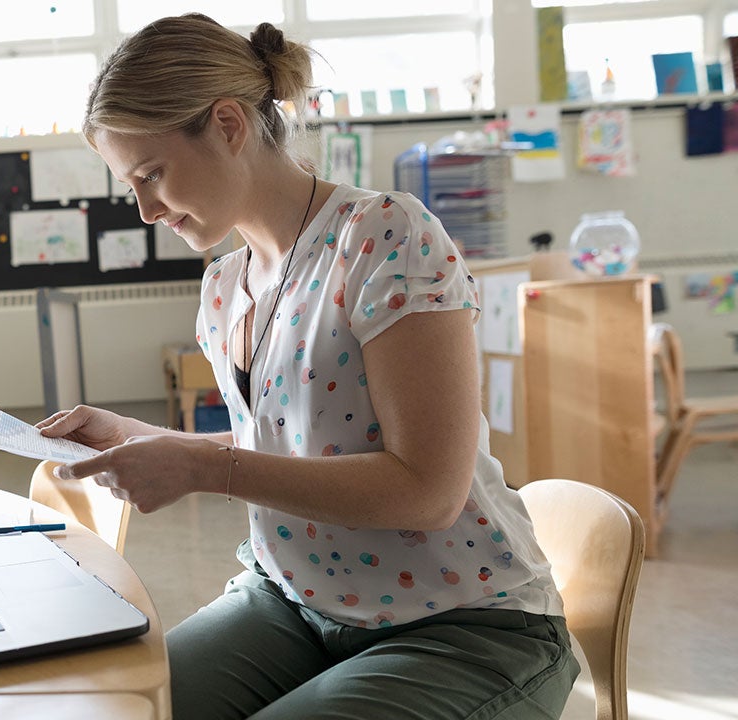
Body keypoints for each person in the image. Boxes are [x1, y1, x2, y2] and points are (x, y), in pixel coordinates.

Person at [36, 13, 580, 720]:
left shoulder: (386, 236)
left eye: (152, 174)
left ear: (229, 125)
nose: (144, 210)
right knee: (120, 708)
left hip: (464, 626)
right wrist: (151, 443)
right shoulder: (226, 285)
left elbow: (428, 491)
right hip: (293, 605)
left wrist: (199, 469)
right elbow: (294, 447)